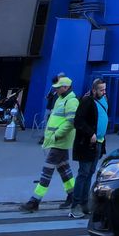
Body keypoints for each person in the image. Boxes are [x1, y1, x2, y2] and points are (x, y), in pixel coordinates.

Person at [21, 75, 80, 213]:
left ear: (65, 87)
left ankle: (35, 201)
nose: (56, 90)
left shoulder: (71, 101)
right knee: (64, 170)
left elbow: (71, 122)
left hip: (59, 141)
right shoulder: (61, 99)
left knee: (47, 171)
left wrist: (57, 135)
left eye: (59, 88)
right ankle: (73, 195)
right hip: (57, 141)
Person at [70, 78, 109, 218]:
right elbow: (78, 121)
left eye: (105, 89)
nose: (104, 92)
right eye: (101, 90)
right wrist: (90, 133)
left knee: (90, 173)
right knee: (83, 173)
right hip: (87, 143)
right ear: (94, 90)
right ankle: (76, 205)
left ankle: (85, 204)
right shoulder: (87, 101)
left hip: (98, 142)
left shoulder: (104, 100)